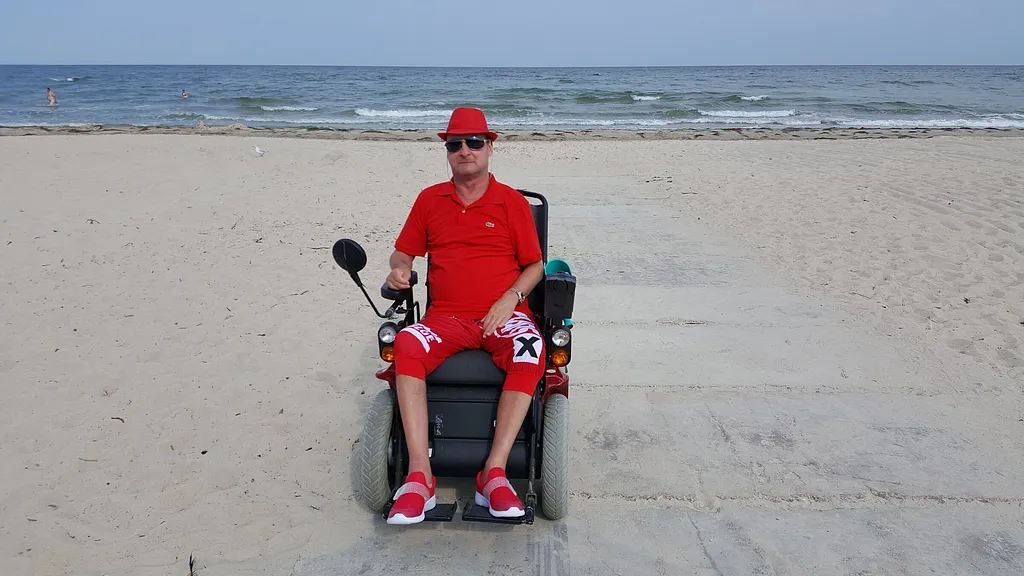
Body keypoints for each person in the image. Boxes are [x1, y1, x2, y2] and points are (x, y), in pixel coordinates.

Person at [384, 107, 546, 525]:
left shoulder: (511, 202)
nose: (465, 150)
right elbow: (403, 252)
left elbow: (535, 265)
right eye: (455, 143)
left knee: (530, 348)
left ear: (490, 147)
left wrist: (510, 298)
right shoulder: (429, 200)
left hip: (502, 315)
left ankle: (493, 473)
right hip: (447, 318)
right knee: (406, 342)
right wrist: (399, 269)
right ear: (447, 151)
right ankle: (420, 477)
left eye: (474, 142)